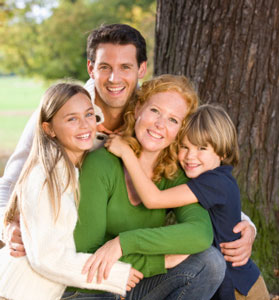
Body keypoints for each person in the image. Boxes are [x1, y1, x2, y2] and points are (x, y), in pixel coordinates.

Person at [1, 24, 254, 267]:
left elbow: (201, 168)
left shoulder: (153, 115)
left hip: (127, 241)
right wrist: (7, 224)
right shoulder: (62, 113)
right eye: (104, 67)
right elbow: (11, 181)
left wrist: (243, 224)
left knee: (207, 263)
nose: (114, 78)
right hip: (66, 239)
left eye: (125, 67)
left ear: (141, 69)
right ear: (91, 68)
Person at [62, 74, 225, 300]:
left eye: (173, 120)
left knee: (210, 263)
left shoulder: (174, 174)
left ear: (181, 131)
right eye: (155, 111)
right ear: (138, 108)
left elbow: (200, 234)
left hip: (133, 284)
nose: (160, 125)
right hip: (89, 287)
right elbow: (84, 253)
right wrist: (160, 260)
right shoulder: (102, 164)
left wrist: (123, 243)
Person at [106, 103, 270, 300]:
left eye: (202, 148)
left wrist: (127, 154)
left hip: (241, 288)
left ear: (223, 153)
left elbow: (153, 199)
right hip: (223, 278)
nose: (190, 156)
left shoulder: (215, 181)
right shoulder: (204, 179)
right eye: (184, 147)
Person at [0, 83, 141, 300]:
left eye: (89, 115)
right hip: (15, 292)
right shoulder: (47, 177)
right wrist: (113, 274)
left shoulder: (66, 167)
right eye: (71, 119)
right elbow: (48, 257)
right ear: (49, 129)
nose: (85, 125)